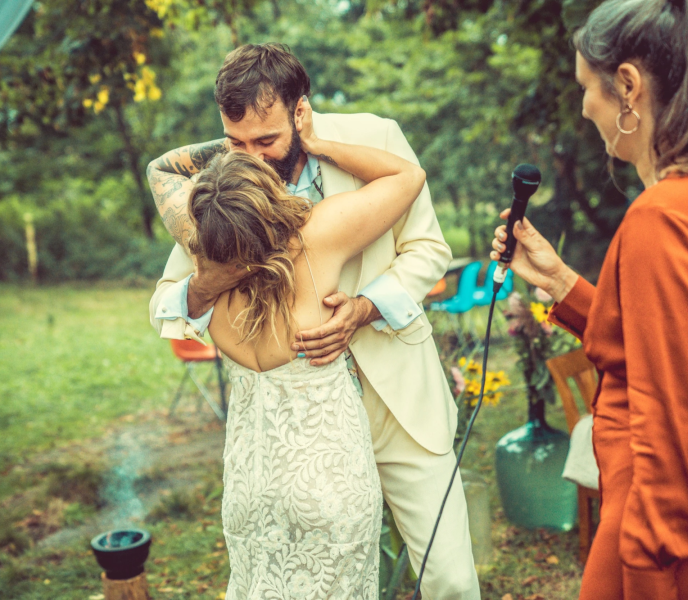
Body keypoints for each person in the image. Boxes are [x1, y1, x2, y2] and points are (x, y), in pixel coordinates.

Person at [147, 44, 480, 599]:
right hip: (295, 435)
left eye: (266, 140)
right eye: (235, 141)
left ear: (299, 110)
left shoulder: (376, 137)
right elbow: (168, 298)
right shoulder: (224, 181)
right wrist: (211, 282)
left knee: (451, 578)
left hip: (397, 400)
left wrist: (365, 308)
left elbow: (427, 250)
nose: (251, 158)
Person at [490, 0, 688, 598]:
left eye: (586, 87)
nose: (583, 107)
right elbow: (672, 347)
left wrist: (649, 569)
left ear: (628, 86)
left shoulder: (662, 217)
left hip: (674, 521)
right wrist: (560, 282)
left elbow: (665, 420)